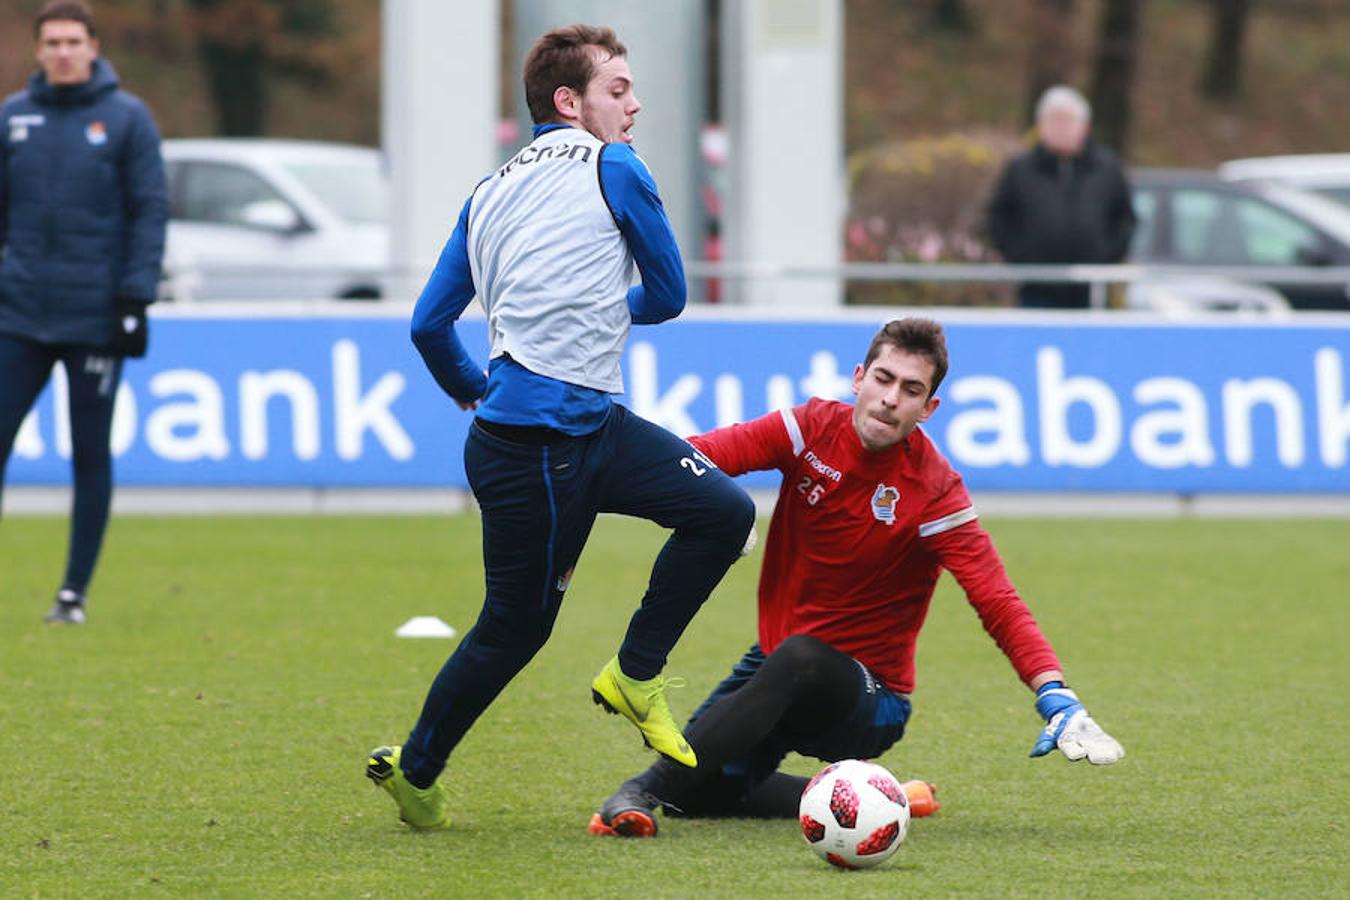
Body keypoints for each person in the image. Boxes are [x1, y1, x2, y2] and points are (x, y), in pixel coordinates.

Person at [365, 24, 756, 830]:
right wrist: (619, 306)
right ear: (569, 102)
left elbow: (428, 326)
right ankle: (416, 767)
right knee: (514, 632)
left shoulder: (487, 192)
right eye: (618, 89)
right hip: (537, 452)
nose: (636, 102)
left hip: (581, 427)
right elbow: (670, 293)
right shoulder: (616, 164)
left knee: (723, 511)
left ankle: (635, 674)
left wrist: (475, 391)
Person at [588, 318, 1124, 838]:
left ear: (928, 407)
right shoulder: (808, 429)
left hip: (870, 700)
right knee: (698, 796)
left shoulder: (937, 491)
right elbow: (698, 457)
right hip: (779, 664)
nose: (891, 398)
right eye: (884, 379)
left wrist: (1054, 693)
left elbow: (997, 600)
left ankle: (639, 790)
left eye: (911, 389)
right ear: (859, 378)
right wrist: (604, 486)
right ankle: (881, 798)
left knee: (797, 660)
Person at [0, 0, 167, 625]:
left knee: (89, 454)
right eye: (53, 42)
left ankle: (73, 593)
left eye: (74, 40)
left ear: (93, 47)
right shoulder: (13, 117)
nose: (63, 51)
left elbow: (150, 212)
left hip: (94, 317)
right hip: (17, 315)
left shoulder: (126, 120)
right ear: (39, 50)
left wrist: (134, 297)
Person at [986, 85, 1136, 309]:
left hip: (1091, 288)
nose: (1060, 127)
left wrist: (1105, 257)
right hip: (1035, 287)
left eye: (1067, 120)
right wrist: (1019, 256)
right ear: (1040, 126)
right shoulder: (1020, 169)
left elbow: (1125, 219)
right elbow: (998, 218)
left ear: (1084, 126)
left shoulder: (1108, 168)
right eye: (1054, 120)